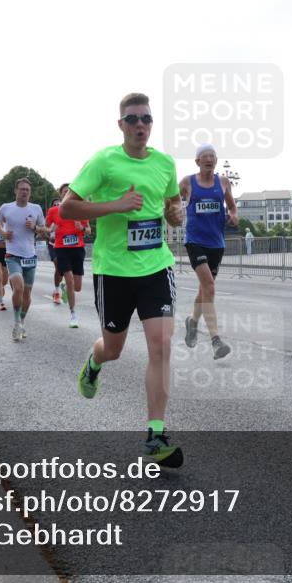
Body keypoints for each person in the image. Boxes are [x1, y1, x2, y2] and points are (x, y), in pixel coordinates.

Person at [60, 92, 185, 466]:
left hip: (155, 267)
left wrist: (176, 215)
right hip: (113, 271)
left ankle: (155, 435)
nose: (140, 125)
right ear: (121, 125)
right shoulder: (103, 161)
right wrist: (114, 206)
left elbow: (171, 207)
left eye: (146, 118)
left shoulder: (164, 163)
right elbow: (68, 206)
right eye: (132, 119)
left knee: (161, 346)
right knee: (113, 348)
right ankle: (94, 363)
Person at [180, 143, 237, 359]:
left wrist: (234, 215)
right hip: (195, 241)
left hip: (217, 243)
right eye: (205, 156)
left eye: (212, 156)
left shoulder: (223, 182)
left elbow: (231, 206)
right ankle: (216, 340)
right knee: (210, 287)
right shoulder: (188, 182)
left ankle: (192, 322)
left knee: (204, 290)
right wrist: (173, 208)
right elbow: (170, 199)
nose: (209, 159)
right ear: (197, 161)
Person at [0, 178, 47, 340]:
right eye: (22, 189)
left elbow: (45, 231)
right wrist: (3, 234)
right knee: (18, 288)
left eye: (27, 190)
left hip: (30, 256)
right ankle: (16, 321)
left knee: (27, 292)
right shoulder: (6, 208)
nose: (24, 192)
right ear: (16, 191)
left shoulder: (36, 208)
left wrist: (35, 227)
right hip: (12, 255)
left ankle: (21, 322)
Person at [46, 183, 91, 328]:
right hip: (61, 248)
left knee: (77, 287)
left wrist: (82, 228)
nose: (67, 194)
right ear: (61, 195)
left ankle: (66, 289)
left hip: (78, 249)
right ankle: (73, 314)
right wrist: (51, 229)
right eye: (64, 192)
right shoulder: (54, 211)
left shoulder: (80, 209)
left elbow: (89, 230)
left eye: (69, 192)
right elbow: (47, 228)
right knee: (70, 280)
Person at [46, 197, 64, 304]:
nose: (57, 205)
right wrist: (49, 237)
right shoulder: (50, 217)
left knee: (62, 270)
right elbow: (43, 230)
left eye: (59, 203)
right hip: (53, 245)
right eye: (55, 204)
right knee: (58, 265)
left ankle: (58, 287)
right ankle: (57, 292)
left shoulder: (66, 215)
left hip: (64, 245)